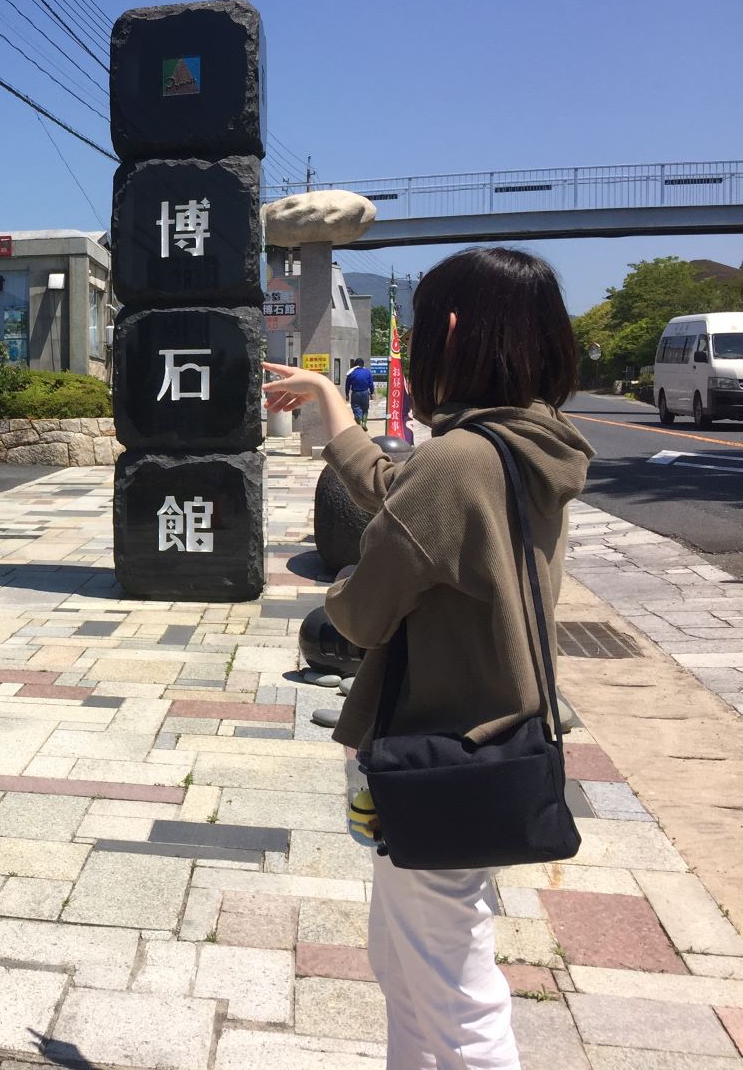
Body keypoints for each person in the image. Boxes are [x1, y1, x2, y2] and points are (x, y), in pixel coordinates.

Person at [263, 246, 592, 1069]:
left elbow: (364, 610)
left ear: (446, 329)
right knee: (412, 960)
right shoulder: (525, 447)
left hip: (440, 745)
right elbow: (397, 486)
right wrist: (333, 403)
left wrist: (339, 587)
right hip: (498, 737)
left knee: (447, 985)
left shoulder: (458, 460)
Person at [344, 359, 375, 428]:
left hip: (355, 393)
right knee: (365, 409)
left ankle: (359, 420)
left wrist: (347, 394)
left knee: (356, 408)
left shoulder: (351, 373)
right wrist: (372, 393)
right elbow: (371, 384)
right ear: (363, 364)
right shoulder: (367, 372)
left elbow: (347, 385)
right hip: (365, 393)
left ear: (355, 365)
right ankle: (364, 423)